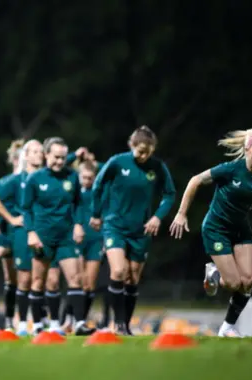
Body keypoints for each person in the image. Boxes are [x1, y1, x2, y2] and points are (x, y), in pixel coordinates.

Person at [170, 129, 252, 337]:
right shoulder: (230, 170)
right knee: (234, 283)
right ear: (247, 149)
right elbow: (195, 180)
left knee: (249, 281)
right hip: (216, 228)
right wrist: (181, 214)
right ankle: (214, 273)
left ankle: (227, 327)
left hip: (241, 229)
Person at [90, 126, 176, 335]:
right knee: (119, 270)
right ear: (132, 146)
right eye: (140, 151)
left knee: (133, 278)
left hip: (141, 230)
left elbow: (170, 194)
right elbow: (98, 185)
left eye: (148, 151)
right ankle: (117, 324)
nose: (144, 156)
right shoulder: (118, 162)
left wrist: (157, 217)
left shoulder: (157, 167)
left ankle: (125, 327)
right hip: (115, 226)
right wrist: (96, 213)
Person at [21, 137, 91, 335]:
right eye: (56, 157)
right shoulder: (35, 178)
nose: (59, 161)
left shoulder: (72, 176)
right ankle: (40, 325)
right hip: (42, 237)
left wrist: (78, 224)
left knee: (75, 278)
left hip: (65, 236)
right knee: (39, 281)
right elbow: (25, 209)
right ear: (46, 155)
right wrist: (31, 233)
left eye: (62, 157)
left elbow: (78, 203)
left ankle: (79, 324)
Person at [0, 139, 43, 336]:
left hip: (44, 232)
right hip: (20, 234)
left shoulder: (46, 177)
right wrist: (11, 219)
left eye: (40, 151)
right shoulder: (15, 180)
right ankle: (18, 323)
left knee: (43, 278)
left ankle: (39, 322)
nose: (39, 154)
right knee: (22, 279)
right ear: (25, 156)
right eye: (34, 151)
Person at [72, 160, 105, 333]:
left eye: (90, 177)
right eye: (83, 177)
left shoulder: (99, 192)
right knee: (77, 279)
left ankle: (81, 321)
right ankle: (70, 319)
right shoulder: (72, 191)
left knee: (90, 283)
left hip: (95, 239)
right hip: (77, 238)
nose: (86, 180)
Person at [0, 139, 24, 330]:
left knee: (26, 277)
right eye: (15, 157)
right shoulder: (5, 182)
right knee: (10, 278)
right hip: (7, 232)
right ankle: (9, 318)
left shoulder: (30, 180)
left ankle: (23, 320)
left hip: (24, 231)